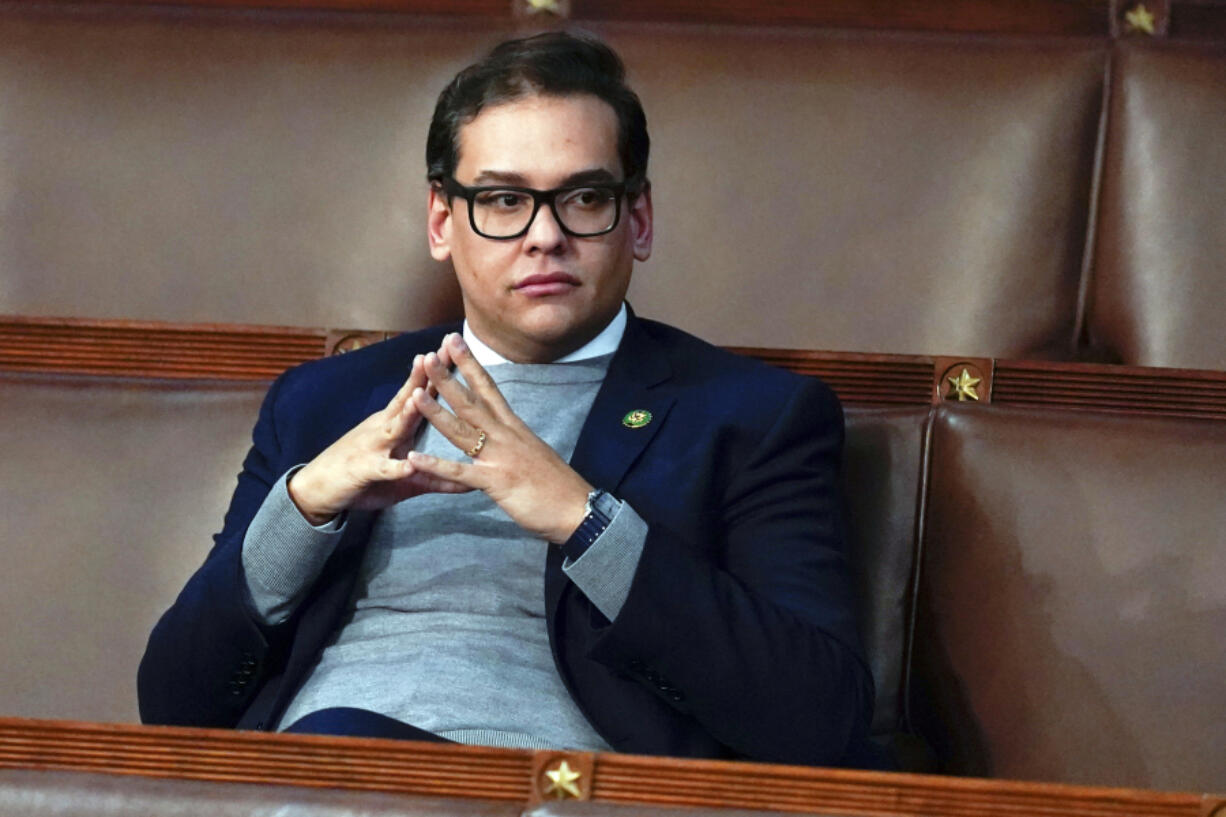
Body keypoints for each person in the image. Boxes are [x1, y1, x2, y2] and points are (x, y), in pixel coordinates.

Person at [138, 30, 876, 768]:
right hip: (308, 775)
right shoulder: (324, 401)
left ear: (639, 219)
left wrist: (584, 521)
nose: (545, 236)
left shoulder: (753, 416)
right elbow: (173, 704)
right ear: (440, 221)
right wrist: (302, 511)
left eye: (586, 198)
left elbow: (820, 716)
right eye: (503, 199)